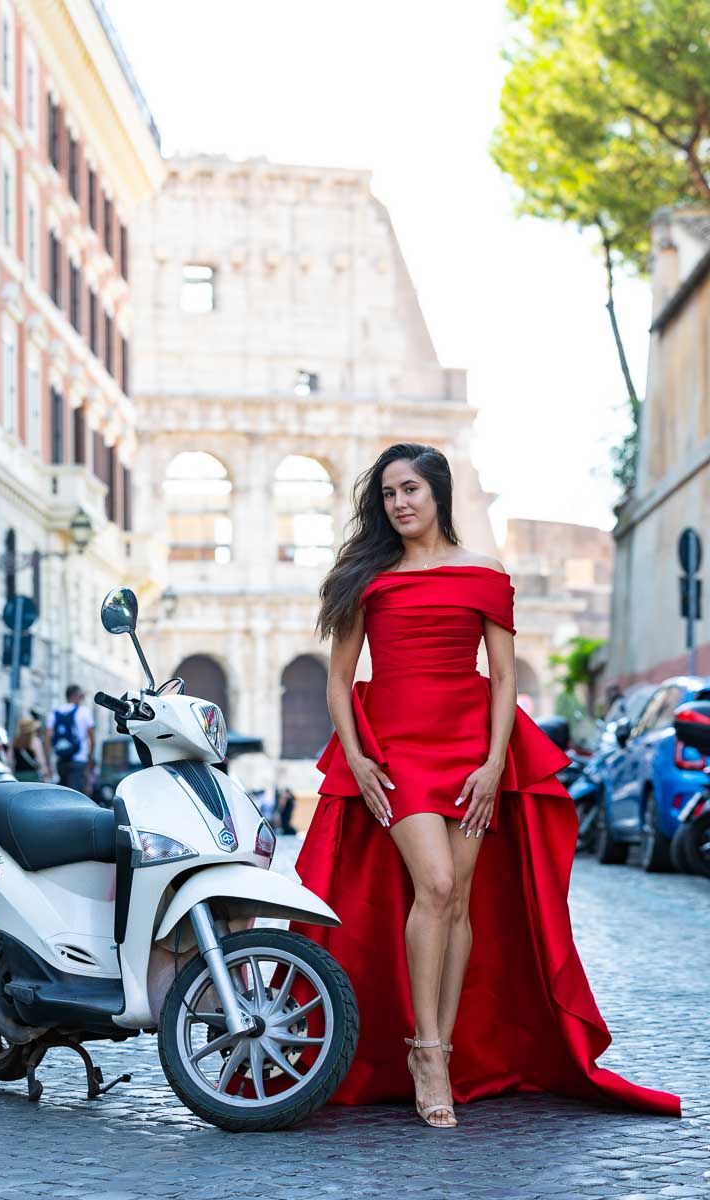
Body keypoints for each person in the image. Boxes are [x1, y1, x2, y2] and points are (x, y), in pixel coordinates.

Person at [290, 442, 681, 1127]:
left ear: (439, 493)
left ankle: (436, 1042)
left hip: (469, 749)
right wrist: (356, 757)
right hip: (398, 749)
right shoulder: (367, 579)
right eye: (388, 494)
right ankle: (428, 1053)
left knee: (460, 898)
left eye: (409, 489)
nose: (399, 503)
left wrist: (495, 762)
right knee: (435, 884)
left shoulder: (485, 575)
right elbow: (338, 680)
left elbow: (504, 677)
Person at [44, 685, 95, 794]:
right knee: (76, 795)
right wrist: (90, 758)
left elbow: (47, 739)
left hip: (61, 760)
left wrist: (48, 764)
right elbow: (92, 739)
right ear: (77, 696)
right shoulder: (84, 712)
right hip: (79, 760)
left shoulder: (55, 713)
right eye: (82, 696)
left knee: (63, 794)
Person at [12, 716, 45, 782]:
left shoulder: (15, 741)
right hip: (32, 775)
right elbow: (40, 761)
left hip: (18, 774)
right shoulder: (35, 741)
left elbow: (10, 761)